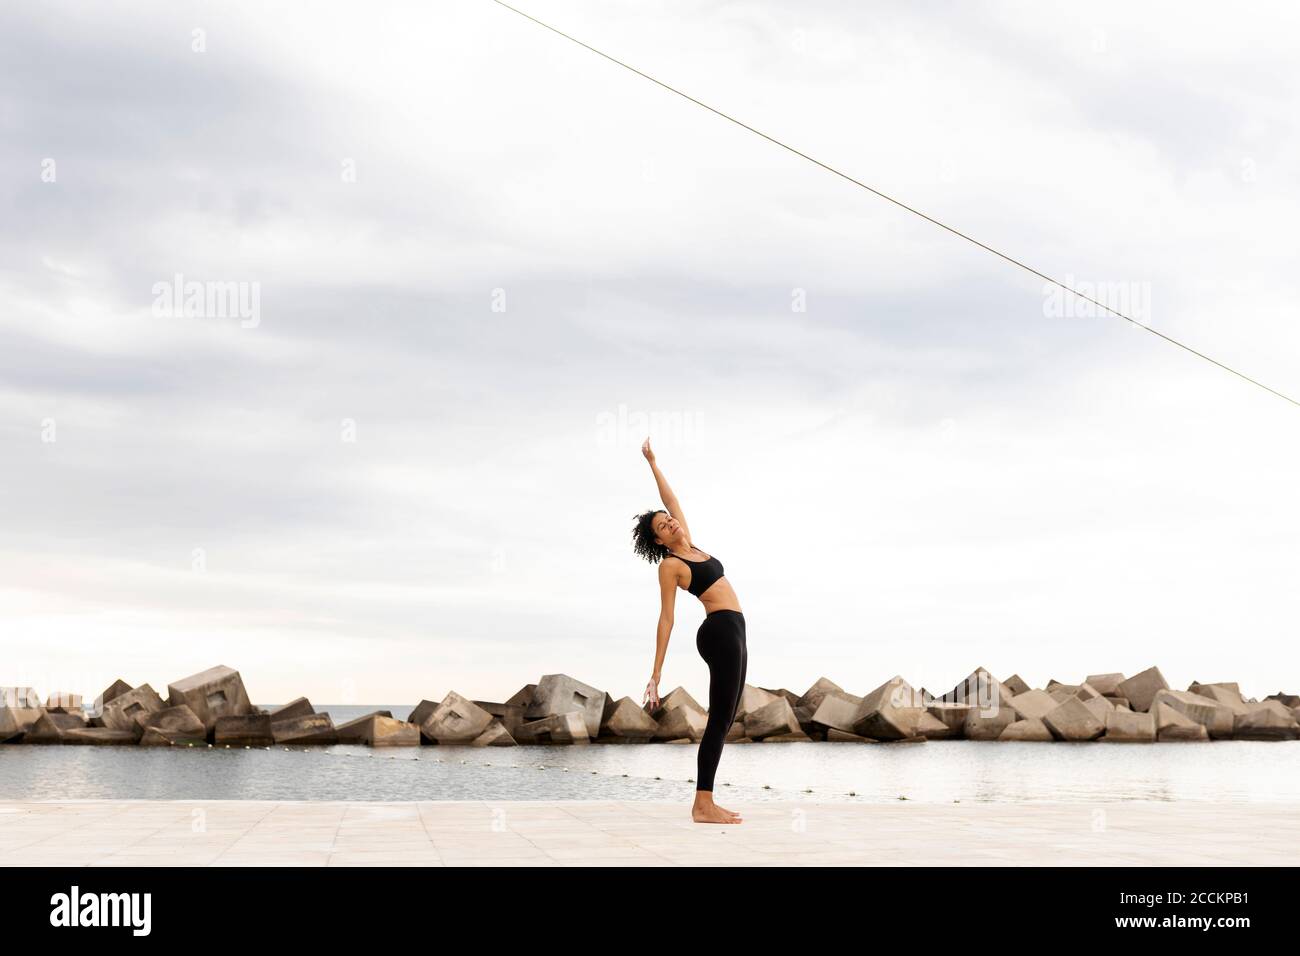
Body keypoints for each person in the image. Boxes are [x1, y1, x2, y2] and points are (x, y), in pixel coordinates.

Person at [632, 437, 747, 824]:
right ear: (660, 541)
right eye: (663, 525)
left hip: (735, 629)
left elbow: (671, 496)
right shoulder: (672, 565)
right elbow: (666, 618)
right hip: (718, 631)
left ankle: (706, 800)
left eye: (669, 518)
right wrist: (656, 672)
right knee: (719, 717)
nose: (670, 521)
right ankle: (702, 804)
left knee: (727, 717)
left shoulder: (693, 544)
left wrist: (652, 462)